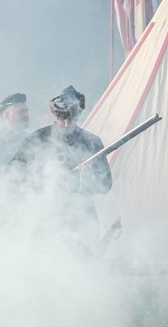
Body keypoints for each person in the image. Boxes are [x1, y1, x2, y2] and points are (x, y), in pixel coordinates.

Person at [9, 85, 112, 250]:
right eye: (61, 117)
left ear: (77, 114)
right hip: (45, 214)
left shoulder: (92, 141)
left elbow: (105, 185)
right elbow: (14, 174)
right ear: (55, 114)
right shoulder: (37, 139)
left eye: (70, 117)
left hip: (81, 216)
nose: (65, 123)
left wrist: (86, 180)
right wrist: (41, 176)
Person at [0, 93, 30, 171]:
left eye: (26, 111)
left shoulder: (31, 137)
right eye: (20, 112)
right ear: (7, 116)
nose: (26, 115)